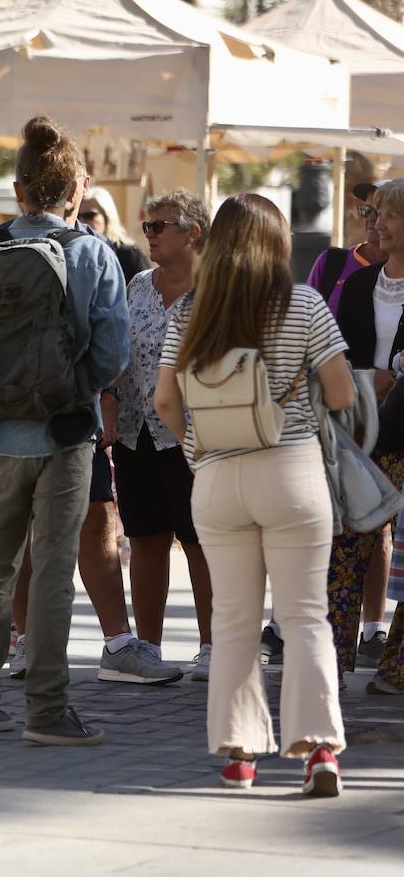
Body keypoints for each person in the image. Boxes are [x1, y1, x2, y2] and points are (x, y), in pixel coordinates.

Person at [154, 192, 353, 796]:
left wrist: (197, 453)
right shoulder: (305, 302)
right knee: (304, 617)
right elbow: (342, 393)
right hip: (292, 471)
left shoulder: (192, 311)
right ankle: (319, 751)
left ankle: (240, 756)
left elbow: (164, 400)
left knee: (233, 619)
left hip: (217, 476)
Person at [0, 115, 128, 746]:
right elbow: (113, 355)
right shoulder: (93, 254)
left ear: (17, 191)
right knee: (52, 568)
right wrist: (78, 391)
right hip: (67, 432)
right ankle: (47, 711)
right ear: (75, 189)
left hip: (1, 435)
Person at [108, 189, 215, 678]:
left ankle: (214, 645)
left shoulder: (217, 292)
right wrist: (108, 402)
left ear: (192, 232)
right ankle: (147, 647)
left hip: (196, 436)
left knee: (201, 542)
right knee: (146, 537)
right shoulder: (137, 286)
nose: (148, 234)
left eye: (159, 226)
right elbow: (117, 353)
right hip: (136, 432)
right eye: (146, 226)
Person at [324, 178, 404, 677]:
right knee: (345, 549)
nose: (376, 223)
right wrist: (365, 381)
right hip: (362, 434)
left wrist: (392, 378)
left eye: (389, 214)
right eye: (373, 214)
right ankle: (328, 659)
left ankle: (397, 667)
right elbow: (342, 353)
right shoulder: (357, 284)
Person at [305, 181, 384, 315]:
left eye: (379, 212)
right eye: (367, 210)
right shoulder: (331, 262)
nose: (370, 218)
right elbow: (305, 317)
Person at [78, 186, 150, 282]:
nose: (82, 222)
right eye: (78, 217)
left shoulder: (129, 254)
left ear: (107, 217)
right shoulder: (76, 253)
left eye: (89, 216)